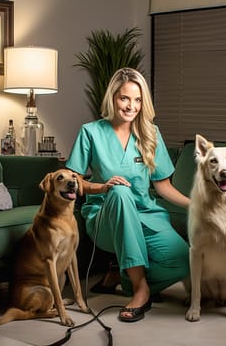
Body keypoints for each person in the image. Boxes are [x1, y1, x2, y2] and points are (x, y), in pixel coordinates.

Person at [66, 67, 190, 323]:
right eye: (124, 98)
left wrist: (199, 206)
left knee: (184, 260)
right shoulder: (91, 132)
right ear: (113, 98)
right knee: (121, 193)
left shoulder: (151, 134)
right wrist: (102, 187)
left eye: (137, 99)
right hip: (105, 218)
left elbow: (163, 187)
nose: (131, 106)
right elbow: (72, 180)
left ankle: (123, 278)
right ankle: (141, 289)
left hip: (145, 214)